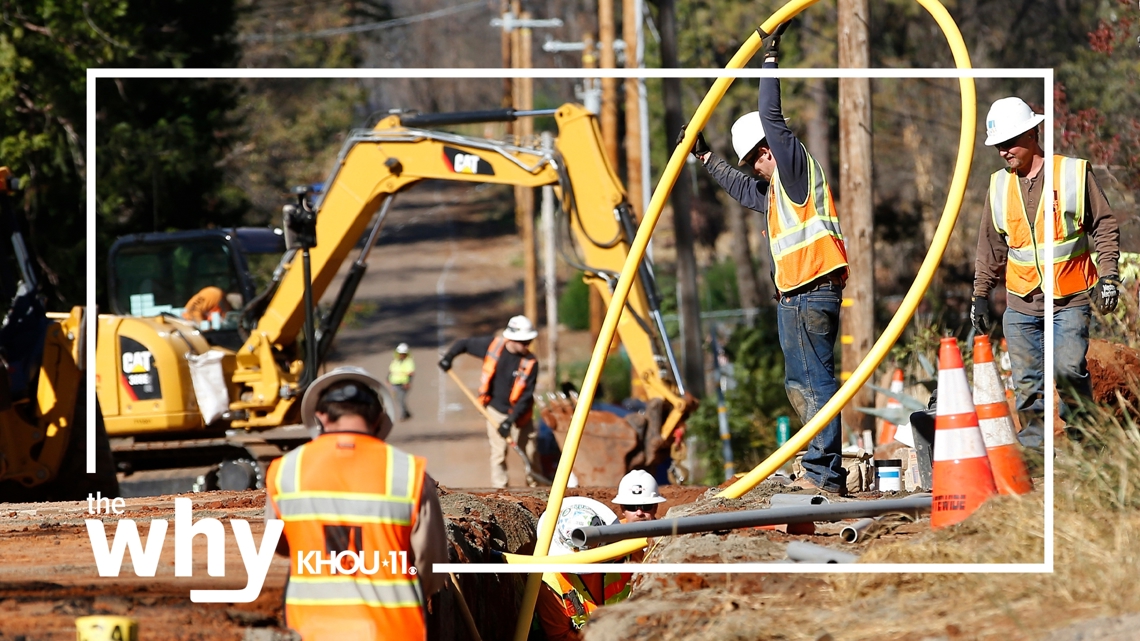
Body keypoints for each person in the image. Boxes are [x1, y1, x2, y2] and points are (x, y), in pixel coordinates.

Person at [680, 23, 848, 495]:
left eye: (755, 158)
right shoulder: (777, 191)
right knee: (802, 384)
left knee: (813, 384)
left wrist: (769, 59)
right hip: (797, 297)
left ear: (768, 150)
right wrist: (704, 157)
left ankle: (823, 475)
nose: (754, 168)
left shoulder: (793, 169)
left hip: (812, 291)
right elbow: (741, 190)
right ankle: (820, 469)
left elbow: (771, 118)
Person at [970, 96, 1119, 451]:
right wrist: (979, 294)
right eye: (999, 146)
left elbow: (1105, 224)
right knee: (1026, 384)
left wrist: (1109, 276)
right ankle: (1036, 454)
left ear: (1032, 133)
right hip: (1021, 303)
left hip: (1071, 297)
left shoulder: (1072, 173)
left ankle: (1087, 443)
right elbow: (990, 245)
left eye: (1009, 143)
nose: (1004, 152)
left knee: (1069, 371)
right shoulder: (999, 186)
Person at [265, 366, 448, 640]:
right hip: (392, 631)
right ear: (379, 419)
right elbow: (431, 568)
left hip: (312, 631)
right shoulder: (409, 473)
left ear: (321, 416)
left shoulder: (285, 470)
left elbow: (278, 545)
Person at [439, 315, 540, 488]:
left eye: (529, 341)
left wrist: (510, 421)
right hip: (495, 411)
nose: (527, 345)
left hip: (520, 415)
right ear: (512, 339)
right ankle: (500, 490)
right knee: (498, 454)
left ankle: (537, 489)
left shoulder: (531, 363)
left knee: (530, 454)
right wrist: (449, 357)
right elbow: (463, 344)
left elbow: (525, 397)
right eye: (524, 342)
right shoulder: (493, 347)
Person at [612, 469, 666, 562]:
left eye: (646, 506)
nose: (639, 513)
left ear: (655, 507)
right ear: (622, 509)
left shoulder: (667, 538)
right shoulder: (610, 538)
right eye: (632, 507)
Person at [388, 342, 415, 420]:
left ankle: (403, 415)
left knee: (401, 399)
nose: (401, 355)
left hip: (403, 383)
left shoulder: (409, 362)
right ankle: (406, 412)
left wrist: (408, 382)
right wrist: (388, 379)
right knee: (397, 399)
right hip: (395, 383)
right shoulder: (395, 361)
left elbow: (411, 373)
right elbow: (391, 371)